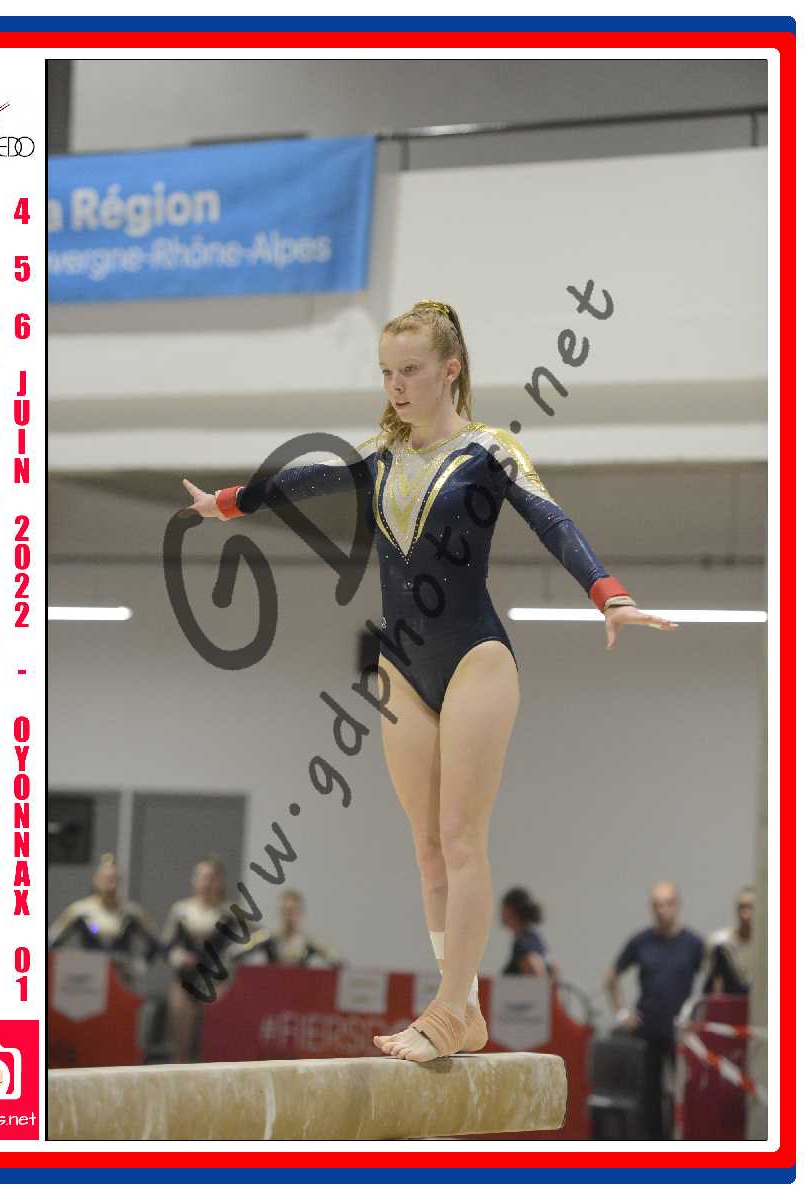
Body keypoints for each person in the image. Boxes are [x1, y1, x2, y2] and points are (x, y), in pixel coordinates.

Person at [183, 298, 677, 1062]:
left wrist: (608, 593)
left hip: (477, 658)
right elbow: (303, 480)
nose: (396, 386)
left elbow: (552, 520)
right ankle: (464, 1005)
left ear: (450, 370)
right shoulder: (379, 455)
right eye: (386, 372)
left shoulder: (490, 451)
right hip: (402, 669)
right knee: (426, 848)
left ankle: (448, 1010)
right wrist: (228, 503)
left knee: (461, 838)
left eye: (410, 370)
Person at [604, 881, 704, 1138]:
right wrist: (622, 1013)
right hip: (647, 1029)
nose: (663, 910)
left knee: (686, 1093)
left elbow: (712, 981)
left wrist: (702, 1018)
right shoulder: (641, 942)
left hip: (681, 1032)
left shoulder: (693, 944)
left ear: (677, 905)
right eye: (657, 905)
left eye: (668, 904)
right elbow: (611, 978)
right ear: (651, 908)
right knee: (649, 1096)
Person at [161, 855, 241, 1062]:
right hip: (185, 982)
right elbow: (167, 946)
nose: (207, 883)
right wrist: (178, 957)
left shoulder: (230, 913)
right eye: (202, 877)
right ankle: (178, 1071)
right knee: (180, 1045)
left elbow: (248, 943)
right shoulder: (180, 910)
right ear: (194, 880)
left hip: (217, 984)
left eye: (212, 878)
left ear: (220, 882)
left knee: (213, 1046)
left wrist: (230, 962)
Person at [48, 851, 160, 964]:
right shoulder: (80, 911)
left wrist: (140, 965)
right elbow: (52, 940)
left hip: (120, 970)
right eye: (105, 879)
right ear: (96, 880)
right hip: (90, 969)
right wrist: (68, 964)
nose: (109, 884)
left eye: (113, 879)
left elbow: (155, 943)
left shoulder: (130, 912)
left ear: (119, 881)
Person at [235, 889, 340, 967]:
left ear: (300, 913)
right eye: (284, 910)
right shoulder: (267, 937)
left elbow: (336, 960)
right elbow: (235, 953)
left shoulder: (309, 942)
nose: (287, 915)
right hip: (272, 986)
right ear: (278, 912)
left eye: (292, 911)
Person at [703, 885, 756, 995]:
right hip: (730, 1001)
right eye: (742, 907)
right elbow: (712, 988)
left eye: (750, 907)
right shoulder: (720, 943)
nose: (746, 913)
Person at [500, 887, 557, 980]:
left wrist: (540, 985)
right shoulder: (535, 938)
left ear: (510, 910)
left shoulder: (524, 941)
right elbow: (554, 968)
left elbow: (533, 964)